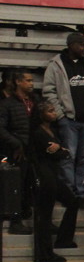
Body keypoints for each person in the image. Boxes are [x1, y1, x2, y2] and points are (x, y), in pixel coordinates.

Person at [42, 32, 84, 206]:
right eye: (81, 45)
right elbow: (48, 91)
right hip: (69, 120)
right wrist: (60, 115)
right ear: (71, 46)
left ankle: (82, 193)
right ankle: (69, 193)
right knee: (68, 158)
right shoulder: (56, 65)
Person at [28, 101, 78, 262]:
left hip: (53, 174)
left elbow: (62, 152)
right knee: (45, 215)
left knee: (73, 201)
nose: (54, 113)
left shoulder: (53, 130)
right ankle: (45, 253)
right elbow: (57, 154)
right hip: (44, 175)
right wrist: (60, 151)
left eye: (53, 110)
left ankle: (63, 240)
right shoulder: (38, 132)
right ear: (41, 114)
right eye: (49, 111)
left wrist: (60, 150)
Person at [0, 69, 35, 234]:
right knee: (16, 185)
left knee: (29, 185)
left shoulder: (34, 101)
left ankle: (27, 212)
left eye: (32, 80)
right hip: (14, 152)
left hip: (32, 151)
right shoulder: (7, 104)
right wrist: (16, 143)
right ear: (18, 82)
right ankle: (15, 221)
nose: (31, 84)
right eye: (28, 80)